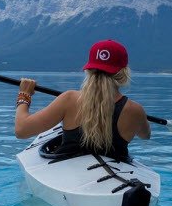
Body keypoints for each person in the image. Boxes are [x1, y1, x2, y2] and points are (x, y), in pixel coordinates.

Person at [13, 39, 150, 161]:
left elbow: (21, 130)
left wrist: (24, 95)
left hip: (67, 171)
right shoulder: (135, 110)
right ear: (124, 73)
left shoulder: (69, 99)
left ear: (88, 70)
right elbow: (145, 135)